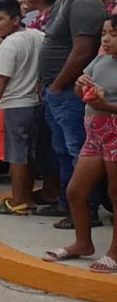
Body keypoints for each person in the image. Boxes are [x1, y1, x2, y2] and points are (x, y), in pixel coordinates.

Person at [37, 0, 106, 222]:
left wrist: (58, 85)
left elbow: (82, 51)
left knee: (78, 149)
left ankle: (86, 210)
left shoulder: (85, 3)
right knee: (63, 149)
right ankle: (68, 203)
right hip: (55, 88)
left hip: (68, 90)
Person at [45, 17, 117, 271]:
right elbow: (83, 91)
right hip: (95, 133)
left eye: (113, 35)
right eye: (104, 34)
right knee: (75, 191)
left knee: (114, 193)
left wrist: (106, 106)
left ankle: (115, 252)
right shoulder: (100, 61)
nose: (106, 39)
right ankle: (82, 243)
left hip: (115, 132)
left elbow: (106, 104)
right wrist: (80, 86)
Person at [0, 0, 44, 215]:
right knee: (29, 153)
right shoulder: (38, 36)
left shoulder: (8, 45)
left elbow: (1, 80)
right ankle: (27, 197)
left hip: (14, 105)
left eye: (0, 19)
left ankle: (17, 201)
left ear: (16, 20)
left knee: (16, 155)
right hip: (34, 103)